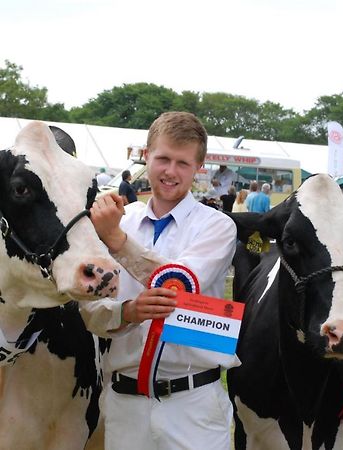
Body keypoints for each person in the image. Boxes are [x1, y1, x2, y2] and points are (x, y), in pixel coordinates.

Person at [81, 112, 239, 450]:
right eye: (163, 158)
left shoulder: (218, 226)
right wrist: (127, 312)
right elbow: (89, 311)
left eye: (183, 163)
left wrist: (117, 242)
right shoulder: (119, 221)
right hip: (124, 403)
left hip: (193, 402)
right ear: (146, 155)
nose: (170, 171)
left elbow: (180, 284)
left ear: (200, 167)